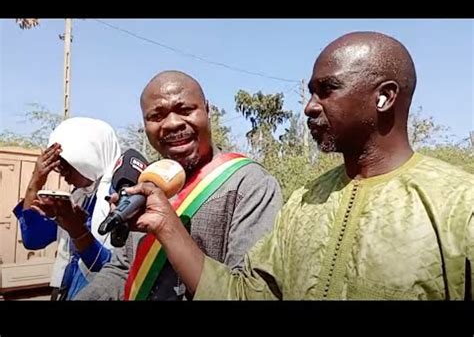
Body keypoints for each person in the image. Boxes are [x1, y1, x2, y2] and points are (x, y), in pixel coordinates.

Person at [121, 32, 474, 300]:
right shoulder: (305, 201)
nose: (309, 107)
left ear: (384, 97)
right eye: (311, 92)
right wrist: (167, 227)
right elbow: (245, 293)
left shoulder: (459, 205)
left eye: (327, 90)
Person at [74, 70, 283, 300]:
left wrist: (169, 228)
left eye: (185, 110)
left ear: (208, 110)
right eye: (156, 116)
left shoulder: (250, 185)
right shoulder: (145, 183)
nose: (172, 124)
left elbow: (251, 293)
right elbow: (122, 269)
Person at [13, 117, 121, 300]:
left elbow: (110, 269)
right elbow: (33, 240)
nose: (63, 175)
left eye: (67, 166)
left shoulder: (118, 198)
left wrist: (77, 231)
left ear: (89, 159)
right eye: (59, 168)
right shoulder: (78, 197)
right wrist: (35, 183)